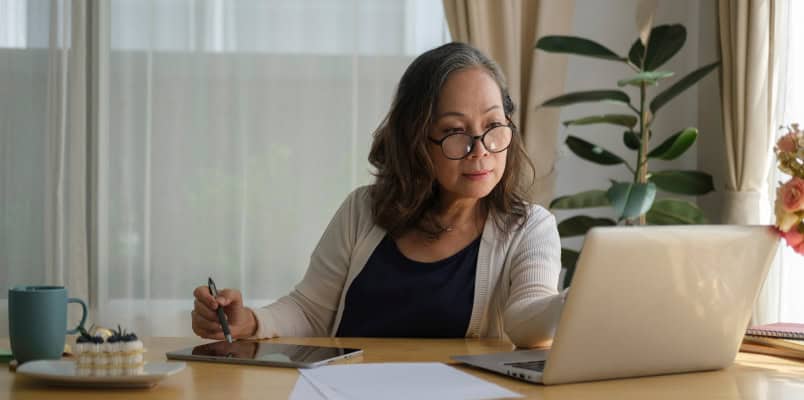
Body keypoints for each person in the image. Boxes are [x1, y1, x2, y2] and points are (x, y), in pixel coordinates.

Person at [191, 42, 564, 348]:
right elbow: (309, 310)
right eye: (455, 131)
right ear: (416, 139)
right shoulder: (363, 210)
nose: (480, 149)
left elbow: (527, 319)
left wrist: (575, 306)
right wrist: (250, 322)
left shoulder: (529, 228)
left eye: (494, 126)